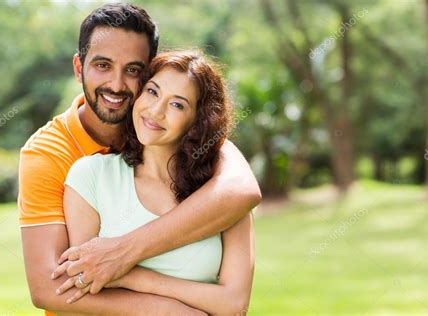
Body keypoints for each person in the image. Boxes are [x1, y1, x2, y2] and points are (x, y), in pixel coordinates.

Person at [18, 3, 261, 315]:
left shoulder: (190, 145)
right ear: (79, 68)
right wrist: (170, 312)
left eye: (132, 70)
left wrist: (124, 256)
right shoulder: (52, 155)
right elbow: (50, 286)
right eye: (102, 65)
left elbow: (242, 190)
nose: (117, 85)